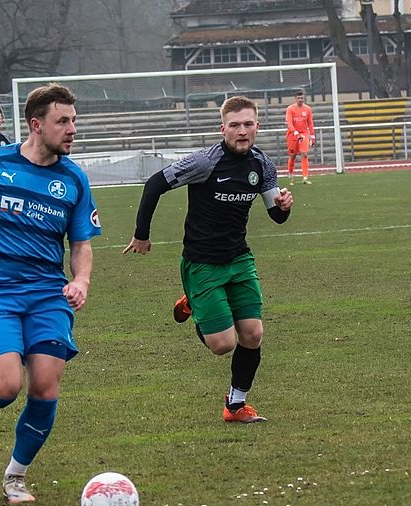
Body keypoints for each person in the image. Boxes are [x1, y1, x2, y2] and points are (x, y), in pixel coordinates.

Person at [0, 83, 101, 505]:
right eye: (62, 121)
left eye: (74, 120)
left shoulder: (74, 179)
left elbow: (81, 244)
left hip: (47, 295)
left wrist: (81, 280)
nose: (72, 129)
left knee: (45, 387)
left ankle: (15, 477)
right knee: (6, 384)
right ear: (36, 124)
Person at [123, 96, 293, 423]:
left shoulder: (263, 165)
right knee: (222, 344)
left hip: (239, 260)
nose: (242, 131)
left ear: (257, 126)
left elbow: (276, 215)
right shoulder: (205, 162)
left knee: (253, 334)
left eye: (248, 124)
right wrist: (141, 234)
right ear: (222, 128)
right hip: (202, 263)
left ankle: (235, 405)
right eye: (234, 125)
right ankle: (195, 303)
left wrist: (283, 206)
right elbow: (155, 184)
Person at [285, 89, 315, 185]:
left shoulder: (307, 109)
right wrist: (296, 133)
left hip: (304, 133)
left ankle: (305, 177)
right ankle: (290, 174)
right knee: (292, 156)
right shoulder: (290, 109)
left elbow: (310, 123)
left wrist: (312, 136)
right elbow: (289, 123)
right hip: (292, 134)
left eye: (302, 98)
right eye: (299, 98)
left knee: (304, 154)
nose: (300, 99)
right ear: (295, 98)